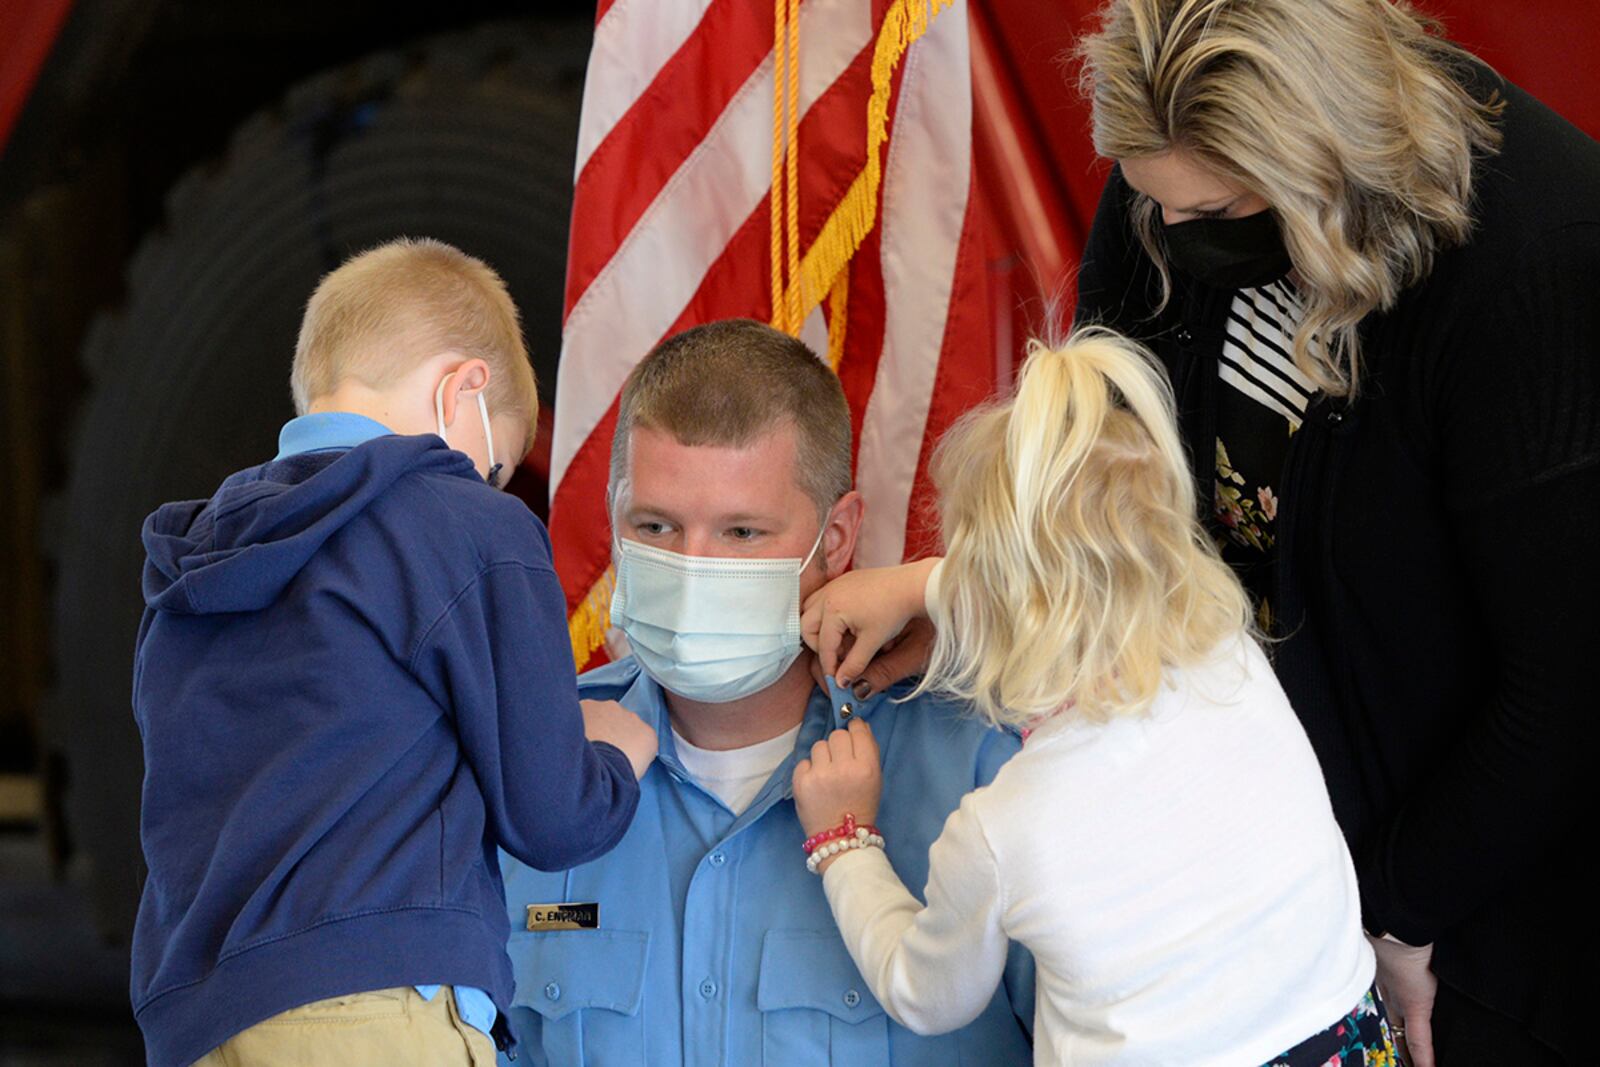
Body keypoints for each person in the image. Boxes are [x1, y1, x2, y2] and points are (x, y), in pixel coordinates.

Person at [1063, 2, 1600, 1061]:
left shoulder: (1538, 260)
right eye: (1148, 198)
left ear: (1328, 162)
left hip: (1479, 898)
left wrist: (1392, 911)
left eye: (1213, 206)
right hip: (1264, 852)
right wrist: (957, 590)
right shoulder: (1168, 178)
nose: (1169, 237)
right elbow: (1111, 482)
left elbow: (1564, 691)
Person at [795, 329, 1388, 1066]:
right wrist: (930, 590)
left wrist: (843, 840)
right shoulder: (1227, 651)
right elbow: (1088, 573)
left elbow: (926, 992)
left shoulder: (1003, 827)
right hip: (1352, 1042)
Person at [130, 238, 657, 1067]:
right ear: (464, 389)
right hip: (376, 1013)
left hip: (200, 1022)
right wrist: (616, 755)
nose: (486, 485)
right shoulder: (468, 524)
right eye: (493, 466)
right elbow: (551, 815)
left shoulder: (197, 561)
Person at [497, 319, 1034, 1066]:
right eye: (655, 524)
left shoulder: (978, 774)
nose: (691, 567)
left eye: (742, 532)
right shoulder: (526, 763)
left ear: (838, 538)